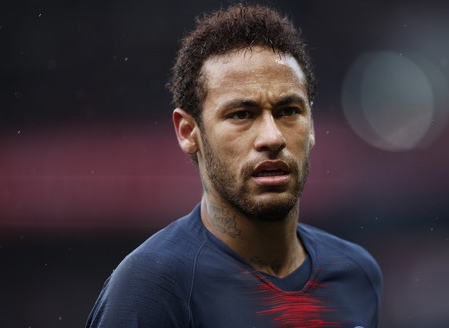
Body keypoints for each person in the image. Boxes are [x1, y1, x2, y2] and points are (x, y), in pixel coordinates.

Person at [86, 4, 382, 327]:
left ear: (311, 125)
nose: (272, 137)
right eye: (242, 114)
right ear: (188, 132)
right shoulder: (152, 289)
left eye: (288, 111)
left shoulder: (357, 275)